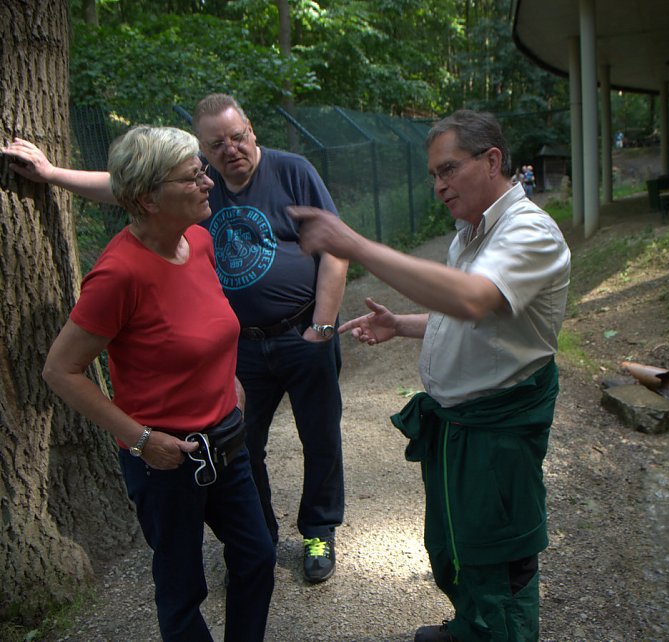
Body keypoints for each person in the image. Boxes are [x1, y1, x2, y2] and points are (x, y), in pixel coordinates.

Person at [2, 94, 348, 583]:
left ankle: (318, 529)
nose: (230, 151)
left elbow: (334, 250)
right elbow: (124, 187)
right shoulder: (199, 189)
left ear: (252, 131)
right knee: (244, 446)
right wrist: (53, 174)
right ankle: (258, 537)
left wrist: (322, 325)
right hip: (239, 346)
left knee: (321, 437)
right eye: (216, 145)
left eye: (238, 137)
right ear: (202, 154)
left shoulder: (292, 171)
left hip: (303, 332)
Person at [290, 110, 571, 642]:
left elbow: (471, 300)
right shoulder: (470, 234)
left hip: (497, 436)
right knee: (456, 547)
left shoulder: (529, 231)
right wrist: (402, 325)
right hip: (462, 431)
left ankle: (498, 633)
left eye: (448, 171)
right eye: (433, 176)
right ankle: (471, 628)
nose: (439, 187)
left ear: (492, 161)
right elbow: (472, 318)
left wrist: (356, 246)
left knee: (499, 559)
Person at [40, 125, 275, 641]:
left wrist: (229, 375)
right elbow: (61, 370)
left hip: (226, 442)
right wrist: (143, 441)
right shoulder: (118, 275)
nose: (208, 182)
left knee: (257, 557)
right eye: (193, 176)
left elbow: (208, 326)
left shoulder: (199, 240)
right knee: (182, 585)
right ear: (148, 198)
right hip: (166, 459)